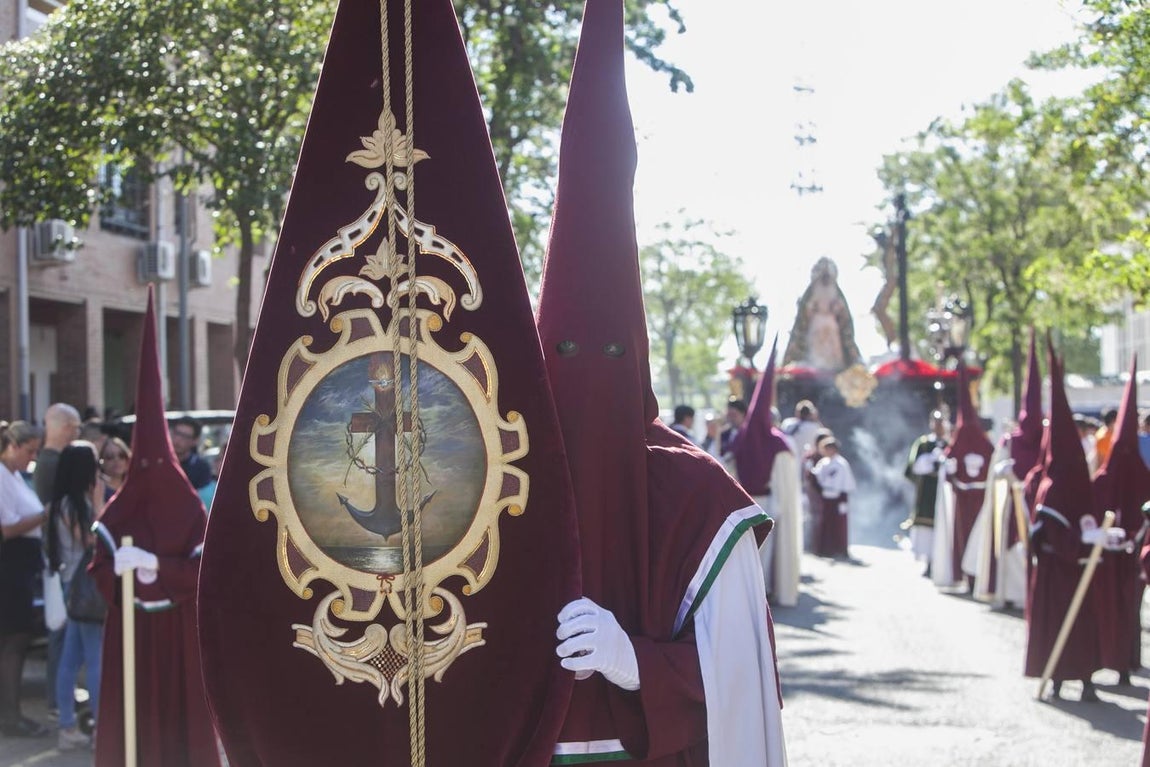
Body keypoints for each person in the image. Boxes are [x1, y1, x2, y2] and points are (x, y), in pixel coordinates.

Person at [538, 3, 785, 763]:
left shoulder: (700, 498)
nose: (585, 376)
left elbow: (741, 684)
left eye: (608, 351)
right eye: (564, 351)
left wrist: (633, 659)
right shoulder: (496, 475)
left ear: (637, 357)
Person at [89, 288, 220, 766]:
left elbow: (202, 575)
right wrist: (116, 572)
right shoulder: (117, 512)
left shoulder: (188, 509)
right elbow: (99, 572)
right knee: (134, 724)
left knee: (179, 722)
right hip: (131, 636)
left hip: (176, 635)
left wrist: (155, 565)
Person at [1025, 344, 1101, 701]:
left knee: (1084, 625)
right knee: (1060, 624)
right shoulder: (1052, 485)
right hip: (1058, 571)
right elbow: (1043, 533)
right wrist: (1074, 550)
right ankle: (1056, 679)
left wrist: (1097, 540)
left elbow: (1090, 517)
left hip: (1078, 567)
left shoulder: (1077, 480)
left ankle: (1085, 681)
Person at [731, 338, 804, 606]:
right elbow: (783, 485)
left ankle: (752, 593)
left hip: (741, 507)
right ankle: (763, 592)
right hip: (766, 505)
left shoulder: (739, 438)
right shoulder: (778, 443)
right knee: (765, 553)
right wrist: (780, 510)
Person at [1091, 357, 1149, 686]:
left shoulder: (1142, 475)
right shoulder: (1103, 477)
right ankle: (1110, 659)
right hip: (1107, 555)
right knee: (1113, 608)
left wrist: (1136, 537)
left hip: (1136, 553)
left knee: (1130, 609)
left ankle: (1127, 662)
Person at [45, 442, 104, 752]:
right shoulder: (72, 505)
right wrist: (98, 503)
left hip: (74, 586)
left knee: (70, 658)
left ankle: (67, 726)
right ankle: (98, 728)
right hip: (82, 588)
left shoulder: (64, 502)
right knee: (95, 657)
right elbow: (93, 542)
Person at [0, 420, 49, 737]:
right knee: (14, 640)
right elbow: (7, 528)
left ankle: (11, 712)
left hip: (23, 566)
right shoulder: (2, 476)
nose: (32, 458)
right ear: (13, 446)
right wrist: (45, 514)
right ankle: (10, 715)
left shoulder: (15, 476)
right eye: (29, 451)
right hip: (11, 567)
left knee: (15, 640)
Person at [904, 410, 950, 576]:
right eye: (936, 422)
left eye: (942, 422)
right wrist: (930, 461)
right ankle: (928, 562)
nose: (939, 426)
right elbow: (912, 468)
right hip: (926, 493)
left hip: (943, 491)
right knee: (926, 529)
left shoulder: (949, 444)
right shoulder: (923, 444)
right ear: (931, 423)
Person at [810, 436, 855, 559]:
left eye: (829, 448)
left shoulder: (841, 464)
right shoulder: (824, 463)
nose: (827, 451)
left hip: (838, 498)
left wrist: (842, 498)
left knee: (838, 524)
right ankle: (825, 549)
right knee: (826, 524)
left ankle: (839, 549)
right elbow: (817, 477)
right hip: (826, 498)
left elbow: (845, 483)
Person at [169, 415, 212, 490]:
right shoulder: (161, 461)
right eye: (177, 433)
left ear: (195, 441)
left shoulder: (201, 468)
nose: (178, 440)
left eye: (185, 436)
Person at [98, 436, 131, 502]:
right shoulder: (99, 489)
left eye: (121, 455)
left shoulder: (134, 486)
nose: (116, 460)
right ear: (102, 462)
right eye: (109, 457)